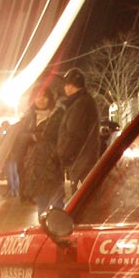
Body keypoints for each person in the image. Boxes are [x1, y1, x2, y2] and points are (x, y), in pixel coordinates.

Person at [21, 87, 65, 216]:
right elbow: (19, 137)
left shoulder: (57, 115)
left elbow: (62, 136)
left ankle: (59, 228)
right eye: (38, 96)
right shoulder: (28, 117)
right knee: (42, 205)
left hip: (53, 164)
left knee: (57, 203)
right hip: (34, 166)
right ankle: (44, 230)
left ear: (50, 98)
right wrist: (32, 137)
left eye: (44, 96)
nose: (41, 100)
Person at [57, 68, 100, 196]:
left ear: (70, 86)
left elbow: (74, 134)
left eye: (67, 84)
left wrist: (63, 153)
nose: (66, 88)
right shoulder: (84, 101)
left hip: (81, 160)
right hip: (84, 159)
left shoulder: (80, 104)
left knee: (81, 200)